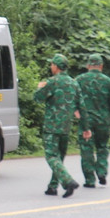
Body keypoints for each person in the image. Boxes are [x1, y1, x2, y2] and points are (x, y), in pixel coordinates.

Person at [33, 53, 91, 198]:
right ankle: (52, 187)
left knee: (51, 156)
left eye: (52, 64)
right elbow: (82, 107)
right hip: (66, 127)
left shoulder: (52, 82)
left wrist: (39, 87)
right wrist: (86, 128)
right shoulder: (74, 83)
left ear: (56, 66)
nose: (51, 66)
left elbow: (37, 98)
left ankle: (68, 181)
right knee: (59, 157)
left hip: (51, 127)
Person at [75, 54, 110, 187]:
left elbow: (72, 98)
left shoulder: (79, 80)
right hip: (103, 120)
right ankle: (101, 171)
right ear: (101, 66)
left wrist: (75, 111)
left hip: (86, 121)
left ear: (88, 65)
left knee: (86, 148)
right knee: (102, 146)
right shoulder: (108, 81)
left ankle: (90, 180)